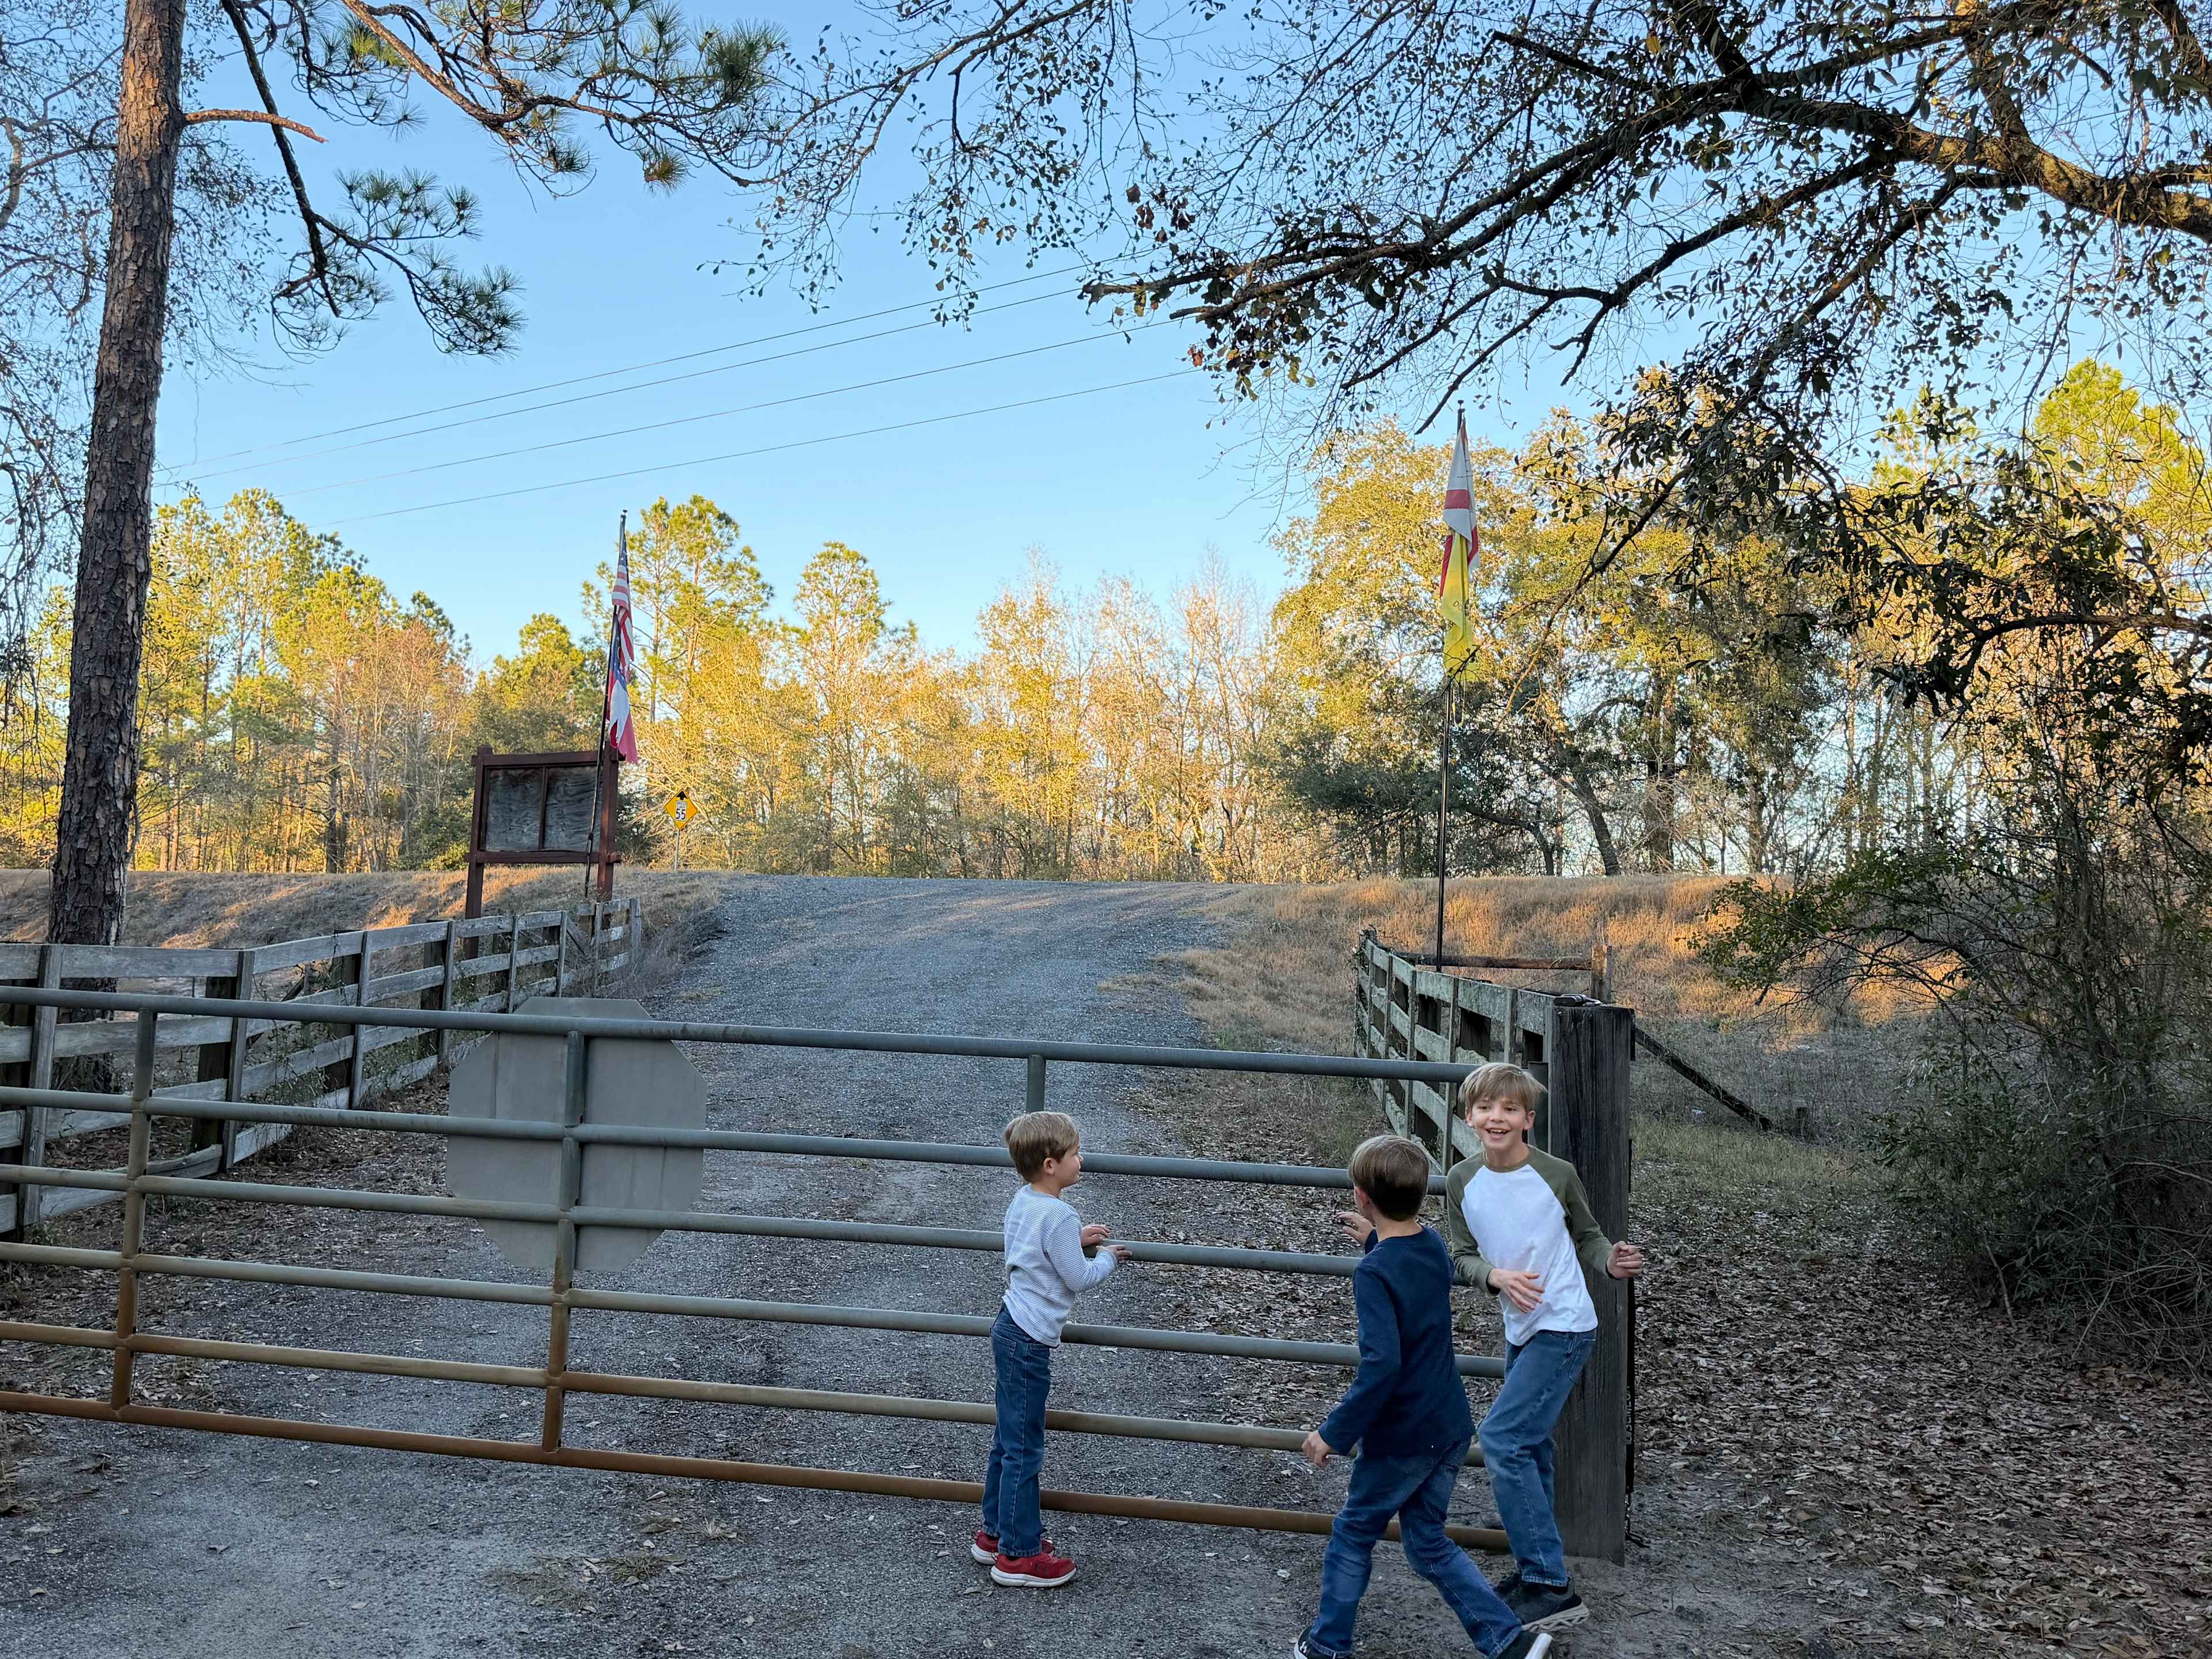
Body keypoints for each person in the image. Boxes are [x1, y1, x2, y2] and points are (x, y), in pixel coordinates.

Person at [1295, 1134, 1552, 1659]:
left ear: (1360, 1196)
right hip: (1449, 1424)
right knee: (1428, 1542)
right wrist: (1376, 1238)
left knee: (1353, 1534)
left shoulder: (1373, 1274)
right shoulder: (1431, 1244)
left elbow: (1382, 1365)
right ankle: (1510, 1643)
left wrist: (1333, 1433)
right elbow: (1406, 1264)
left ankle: (1327, 1645)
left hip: (1402, 1436)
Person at [1445, 1061, 1646, 1635]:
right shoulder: (1462, 1181)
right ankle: (1540, 1572)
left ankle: (1551, 1585)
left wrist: (1610, 1260)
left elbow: (1587, 1233)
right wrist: (1495, 1276)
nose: (1497, 1117)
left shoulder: (1556, 1174)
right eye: (1486, 1108)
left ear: (1528, 1120)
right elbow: (1460, 1253)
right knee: (1530, 1448)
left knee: (1504, 1441)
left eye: (1510, 1109)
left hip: (1564, 1324)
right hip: (1520, 1327)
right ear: (1469, 1117)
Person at [975, 1108, 1130, 1589]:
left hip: (1009, 1325)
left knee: (1009, 1438)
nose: (1080, 1160)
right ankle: (1019, 1558)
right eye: (1074, 1154)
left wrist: (1073, 1241)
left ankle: (996, 1534)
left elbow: (1031, 1247)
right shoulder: (1061, 1212)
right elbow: (1078, 1278)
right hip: (1030, 1339)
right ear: (1050, 1165)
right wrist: (1104, 1258)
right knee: (1025, 1447)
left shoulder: (1025, 1201)